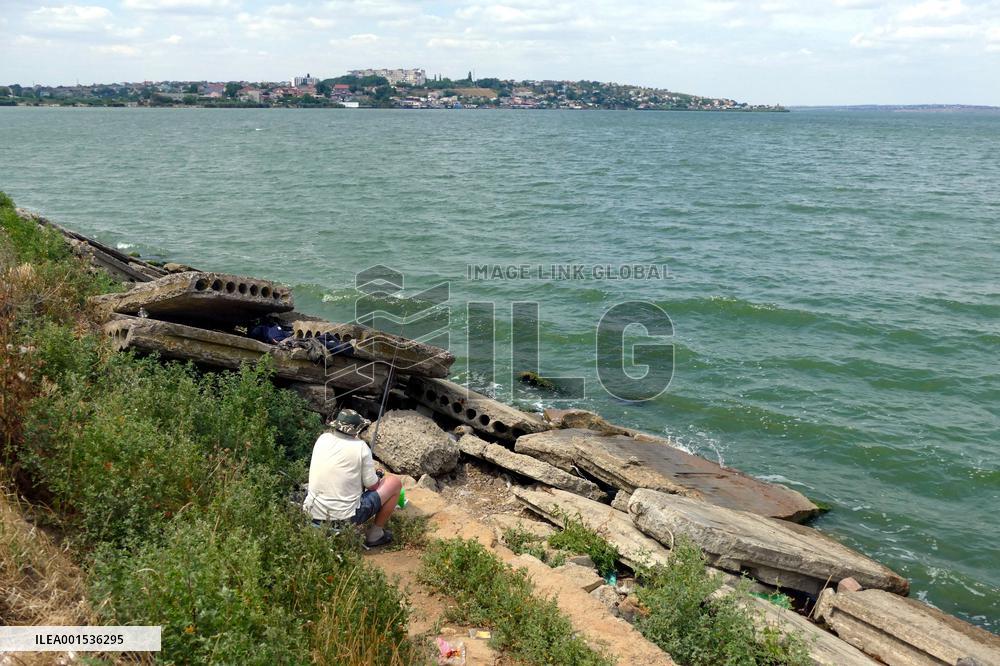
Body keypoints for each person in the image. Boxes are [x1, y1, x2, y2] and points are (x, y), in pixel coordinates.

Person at [302, 409, 401, 547]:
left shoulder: (322, 439)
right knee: (394, 483)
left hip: (312, 514)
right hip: (344, 519)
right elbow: (372, 486)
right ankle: (375, 535)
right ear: (357, 430)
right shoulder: (361, 447)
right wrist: (377, 478)